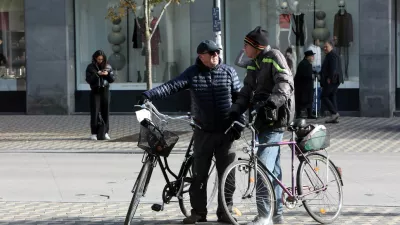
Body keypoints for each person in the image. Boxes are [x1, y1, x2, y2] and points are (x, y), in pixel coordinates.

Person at [139, 40, 242, 224]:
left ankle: (225, 212)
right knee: (199, 177)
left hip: (227, 133)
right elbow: (171, 86)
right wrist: (149, 94)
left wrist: (239, 122)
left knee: (228, 176)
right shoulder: (192, 73)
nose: (215, 56)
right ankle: (198, 213)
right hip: (203, 132)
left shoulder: (228, 72)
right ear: (201, 56)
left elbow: (240, 100)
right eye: (211, 54)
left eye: (217, 53)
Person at [229, 26, 295, 225]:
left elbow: (285, 82)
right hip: (260, 120)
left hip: (275, 119)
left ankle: (264, 215)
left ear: (256, 46)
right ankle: (277, 215)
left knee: (262, 167)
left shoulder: (274, 56)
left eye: (246, 45)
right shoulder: (254, 63)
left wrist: (273, 101)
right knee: (272, 170)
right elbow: (247, 89)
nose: (243, 48)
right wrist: (235, 110)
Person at [85, 50, 115, 140]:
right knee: (95, 112)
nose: (100, 61)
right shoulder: (90, 67)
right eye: (98, 59)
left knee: (105, 111)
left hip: (105, 91)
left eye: (102, 59)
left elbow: (112, 79)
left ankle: (105, 132)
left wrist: (107, 74)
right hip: (95, 91)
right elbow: (88, 80)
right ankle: (94, 133)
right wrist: (97, 74)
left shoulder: (108, 66)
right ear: (95, 58)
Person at [320, 40, 343, 123]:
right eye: (324, 47)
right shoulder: (332, 55)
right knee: (332, 96)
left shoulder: (332, 56)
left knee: (324, 96)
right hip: (334, 80)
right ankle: (334, 116)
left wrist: (330, 78)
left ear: (331, 47)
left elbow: (333, 68)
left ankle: (334, 113)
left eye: (326, 46)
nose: (324, 48)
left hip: (331, 80)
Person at [294, 50, 316, 119]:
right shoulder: (306, 64)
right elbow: (308, 75)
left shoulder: (303, 63)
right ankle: (303, 114)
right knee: (305, 100)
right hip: (304, 86)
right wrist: (313, 75)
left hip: (302, 86)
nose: (313, 58)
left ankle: (301, 114)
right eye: (312, 56)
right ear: (308, 57)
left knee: (303, 100)